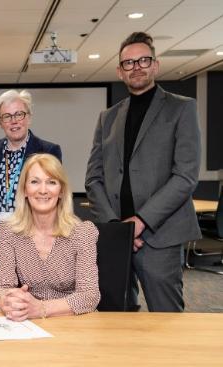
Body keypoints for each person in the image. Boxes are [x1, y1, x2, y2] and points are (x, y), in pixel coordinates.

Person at [85, 32, 201, 312]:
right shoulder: (108, 117)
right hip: (115, 238)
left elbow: (185, 176)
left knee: (166, 321)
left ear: (155, 65)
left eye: (143, 60)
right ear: (120, 71)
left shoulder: (181, 109)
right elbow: (94, 178)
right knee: (115, 320)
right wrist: (117, 227)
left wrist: (139, 222)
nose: (136, 67)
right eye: (128, 63)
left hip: (159, 237)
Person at [0, 89, 62, 311]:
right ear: (0, 122)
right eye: (7, 116)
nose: (14, 121)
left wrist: (14, 240)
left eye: (19, 114)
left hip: (31, 246)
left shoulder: (48, 151)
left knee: (26, 312)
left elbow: (47, 198)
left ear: (29, 116)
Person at [0, 154, 99, 320]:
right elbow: (0, 287)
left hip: (73, 321)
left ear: (61, 191)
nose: (42, 190)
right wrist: (8, 301)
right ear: (25, 190)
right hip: (27, 321)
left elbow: (89, 296)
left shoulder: (83, 233)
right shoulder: (8, 231)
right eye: (34, 181)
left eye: (51, 182)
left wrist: (41, 308)